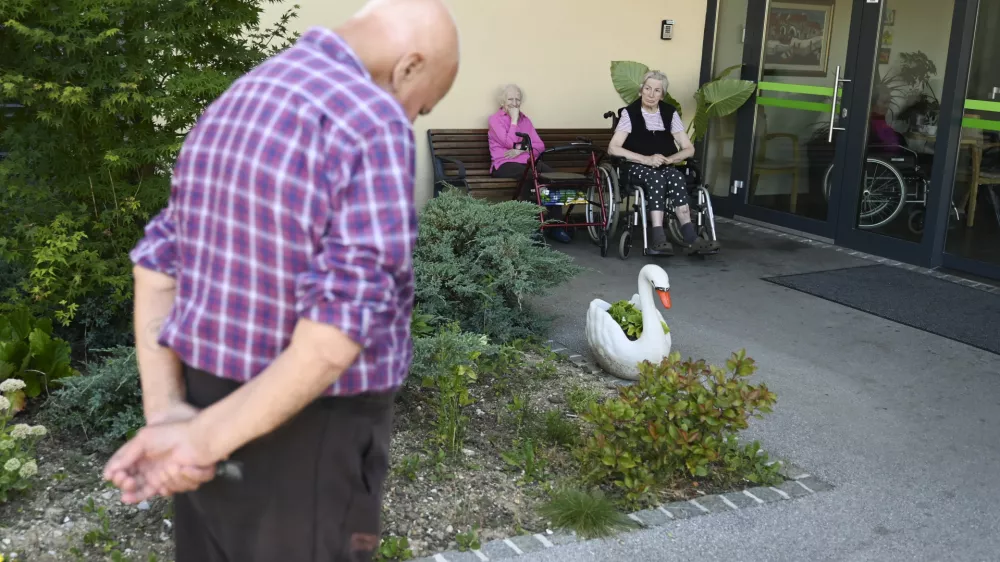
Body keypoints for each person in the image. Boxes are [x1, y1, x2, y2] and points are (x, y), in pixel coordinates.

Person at [102, 0, 460, 560]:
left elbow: (156, 264)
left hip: (203, 400)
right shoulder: (372, 117)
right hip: (315, 439)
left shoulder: (238, 97)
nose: (411, 118)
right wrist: (195, 440)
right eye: (423, 105)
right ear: (409, 66)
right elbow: (334, 334)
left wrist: (173, 417)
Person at [608, 70, 715, 255]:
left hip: (664, 165)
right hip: (635, 167)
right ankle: (658, 238)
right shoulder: (630, 114)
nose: (651, 94)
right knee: (656, 179)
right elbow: (613, 148)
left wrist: (672, 159)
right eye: (647, 88)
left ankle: (691, 238)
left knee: (676, 177)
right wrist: (646, 159)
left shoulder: (669, 113)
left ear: (662, 94)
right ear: (641, 90)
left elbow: (688, 148)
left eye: (657, 90)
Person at [488, 84, 571, 243]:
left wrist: (521, 150)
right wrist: (513, 120)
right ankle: (526, 226)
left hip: (528, 160)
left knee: (553, 178)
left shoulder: (526, 121)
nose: (514, 103)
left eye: (517, 99)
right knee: (529, 176)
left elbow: (539, 146)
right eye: (510, 99)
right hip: (504, 164)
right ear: (502, 101)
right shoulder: (495, 120)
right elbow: (508, 143)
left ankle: (555, 225)